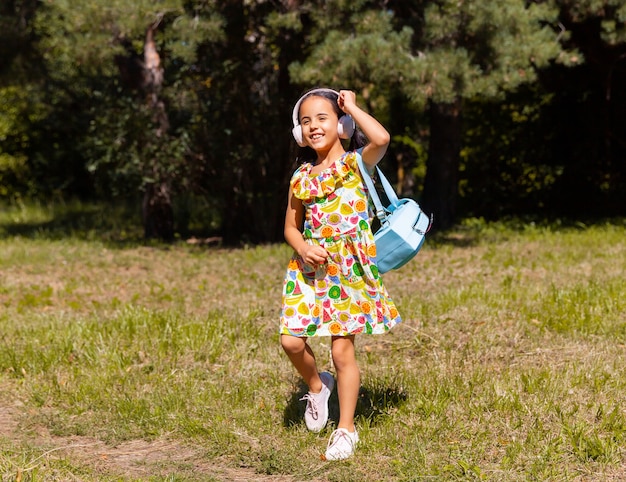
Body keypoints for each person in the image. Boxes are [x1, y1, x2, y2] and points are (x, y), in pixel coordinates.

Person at [280, 88, 401, 461]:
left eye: (323, 118)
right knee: (291, 342)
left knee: (341, 351)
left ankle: (346, 429)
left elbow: (381, 138)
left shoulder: (356, 164)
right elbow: (290, 227)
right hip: (309, 269)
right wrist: (302, 247)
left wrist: (352, 106)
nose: (313, 126)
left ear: (342, 124)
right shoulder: (301, 176)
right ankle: (318, 388)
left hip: (347, 270)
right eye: (305, 121)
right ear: (299, 133)